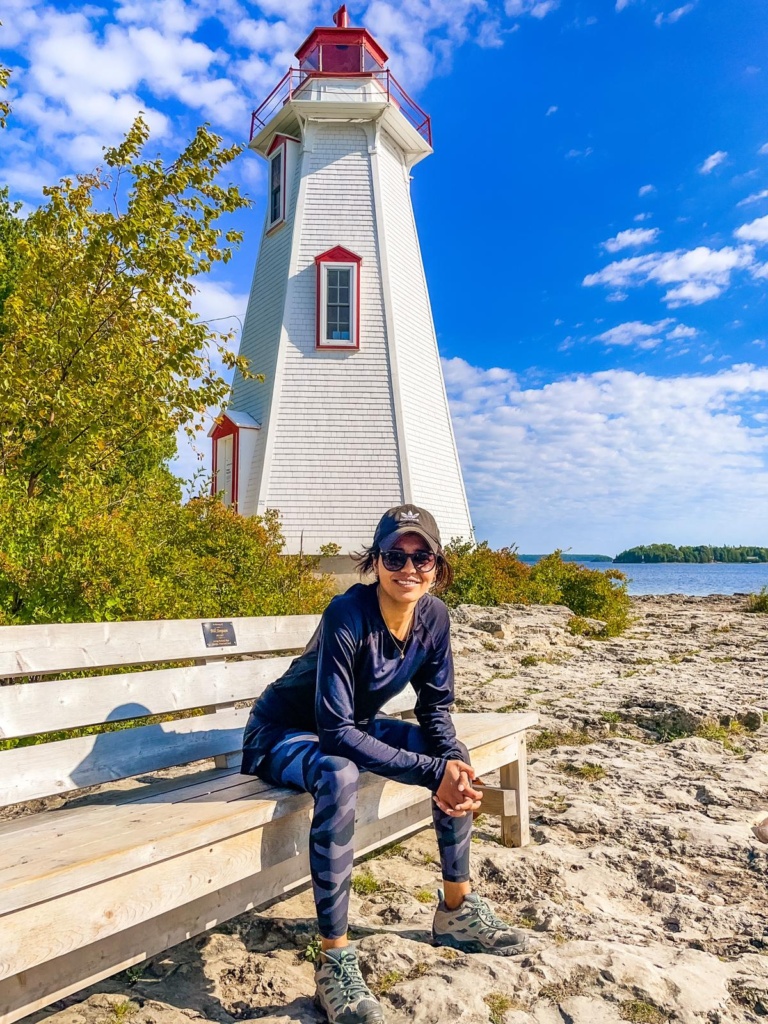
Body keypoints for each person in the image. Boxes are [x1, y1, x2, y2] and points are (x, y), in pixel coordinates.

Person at [241, 505, 530, 1024]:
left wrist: (451, 766)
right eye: (395, 555)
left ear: (438, 566)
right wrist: (430, 772)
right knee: (339, 771)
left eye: (422, 558)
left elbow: (435, 709)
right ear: (376, 561)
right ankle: (335, 959)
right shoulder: (346, 615)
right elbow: (333, 732)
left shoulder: (434, 618)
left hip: (352, 724)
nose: (408, 568)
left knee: (451, 757)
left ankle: (457, 910)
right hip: (281, 732)